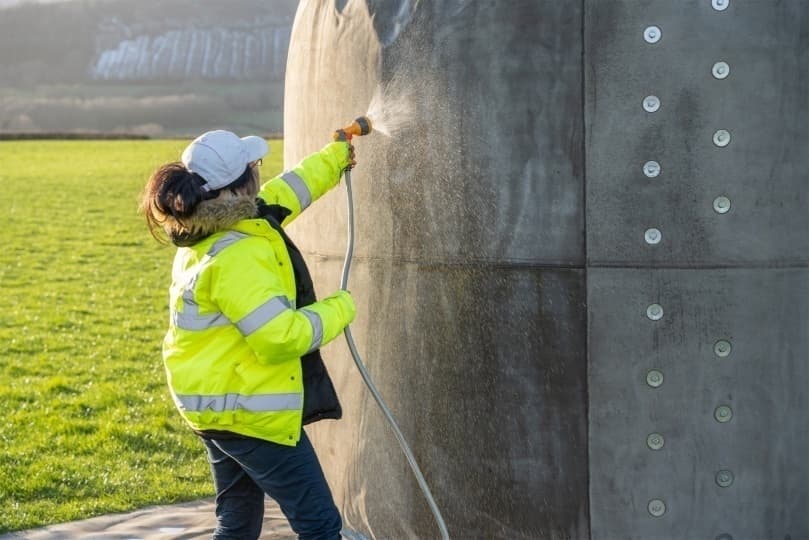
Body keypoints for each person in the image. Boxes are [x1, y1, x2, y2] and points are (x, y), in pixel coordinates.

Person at [140, 129, 357, 539]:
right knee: (321, 526)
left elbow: (294, 187)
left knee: (237, 523)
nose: (260, 173)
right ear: (239, 187)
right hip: (250, 416)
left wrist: (337, 154)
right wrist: (341, 308)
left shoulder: (205, 228)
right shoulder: (238, 255)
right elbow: (279, 338)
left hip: (215, 407)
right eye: (254, 167)